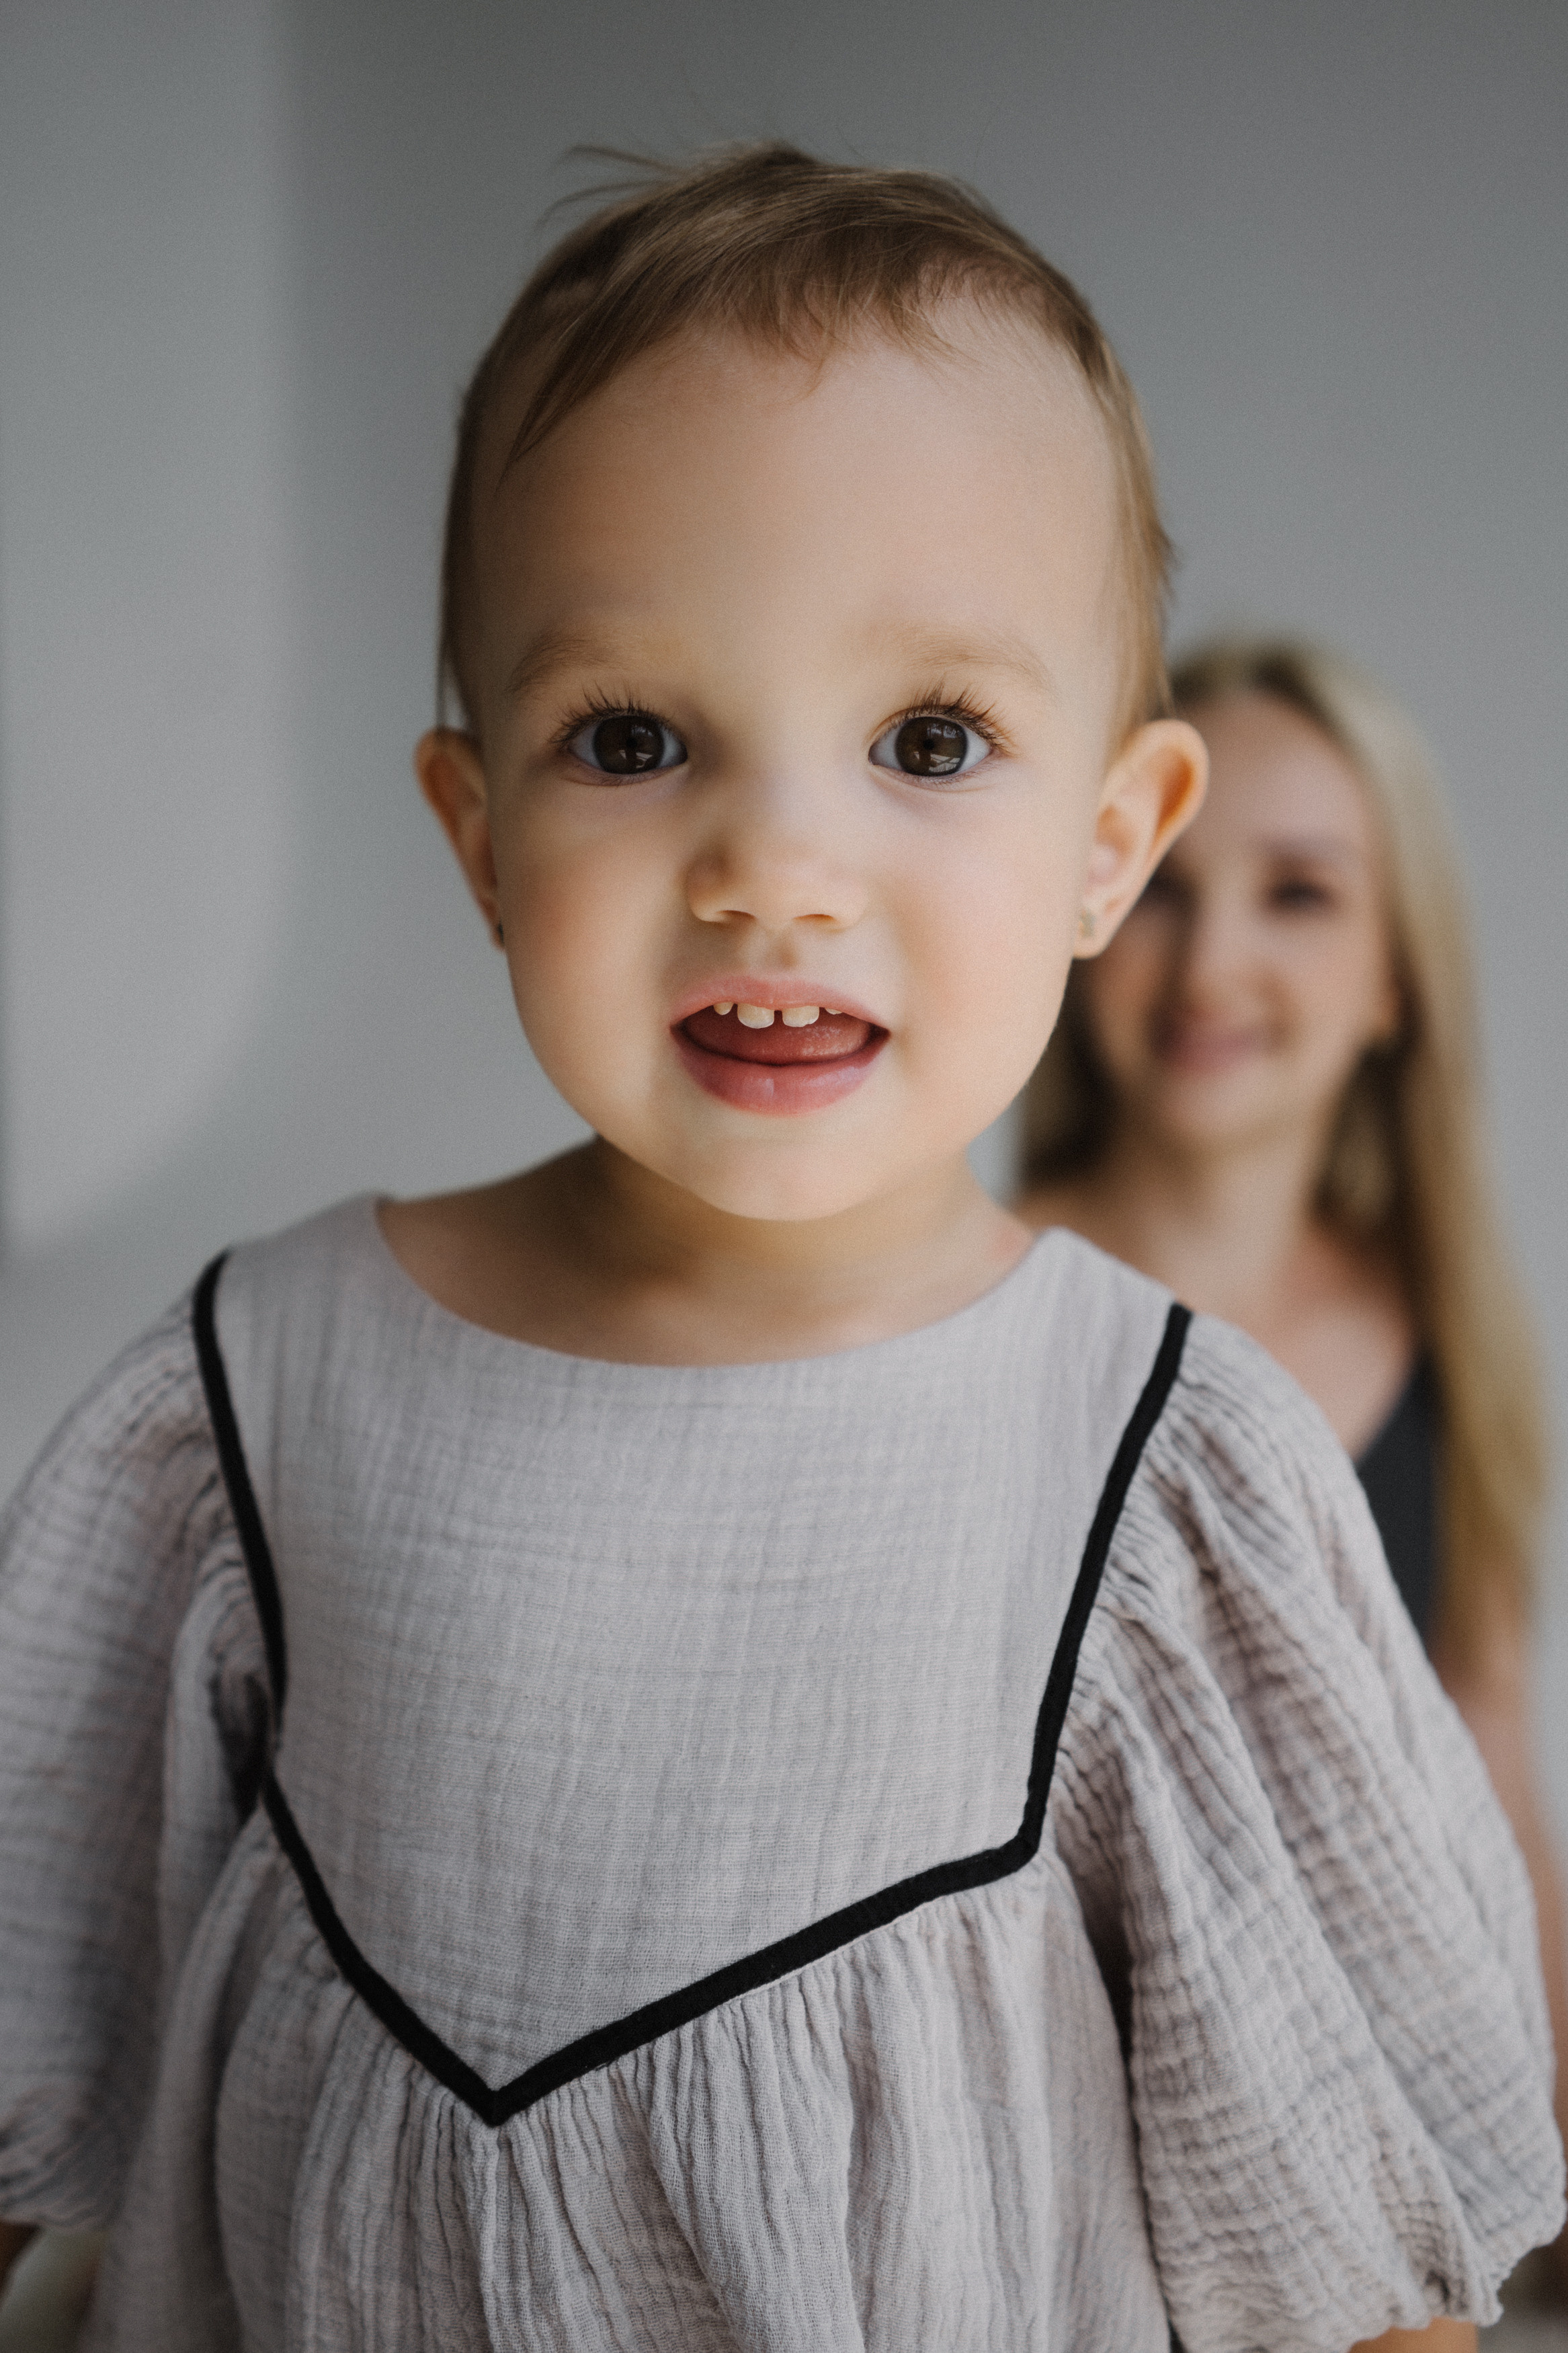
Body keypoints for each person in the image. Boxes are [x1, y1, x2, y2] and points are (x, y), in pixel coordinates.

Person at [0, 150, 1558, 2353]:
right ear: (479, 834)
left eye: (928, 739)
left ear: (1109, 844)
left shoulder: (1160, 1472)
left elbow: (1355, 2271)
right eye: (630, 740)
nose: (775, 867)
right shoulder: (250, 1396)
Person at [1016, 631, 1568, 2290]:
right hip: (1061, 2205)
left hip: (1362, 2224)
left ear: (1396, 976)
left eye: (1301, 893)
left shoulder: (1446, 1329)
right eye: (1167, 887)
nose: (1214, 959)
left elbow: (1488, 1755)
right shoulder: (975, 1307)